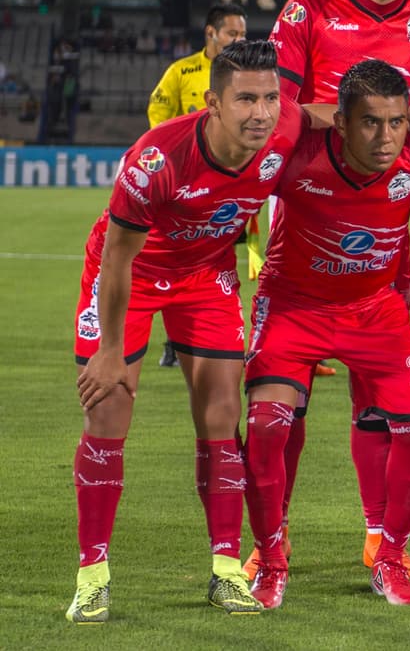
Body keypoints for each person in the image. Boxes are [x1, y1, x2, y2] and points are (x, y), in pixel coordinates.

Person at [241, 60, 410, 609]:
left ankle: (387, 557)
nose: (385, 138)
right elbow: (248, 120)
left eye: (395, 122)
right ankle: (270, 555)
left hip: (374, 312)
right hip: (294, 308)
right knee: (267, 425)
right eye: (370, 123)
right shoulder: (296, 157)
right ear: (340, 123)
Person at [67, 40, 305, 623]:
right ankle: (92, 577)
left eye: (270, 97)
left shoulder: (284, 129)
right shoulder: (157, 160)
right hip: (132, 273)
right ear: (212, 103)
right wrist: (110, 352)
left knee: (222, 417)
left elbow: (328, 115)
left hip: (205, 272)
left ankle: (226, 572)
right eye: (245, 98)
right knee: (108, 411)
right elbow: (118, 259)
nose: (261, 112)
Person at [259, 0, 410, 580]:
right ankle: (270, 537)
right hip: (308, 216)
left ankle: (379, 536)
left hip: (384, 230)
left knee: (385, 397)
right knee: (286, 395)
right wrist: (358, 114)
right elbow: (279, 111)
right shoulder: (307, 11)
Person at [145, 2, 247, 368]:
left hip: (231, 186)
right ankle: (174, 341)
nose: (239, 39)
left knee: (225, 263)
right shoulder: (182, 70)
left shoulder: (245, 76)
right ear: (211, 33)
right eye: (232, 33)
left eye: (242, 34)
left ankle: (221, 337)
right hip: (182, 188)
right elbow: (157, 116)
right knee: (172, 261)